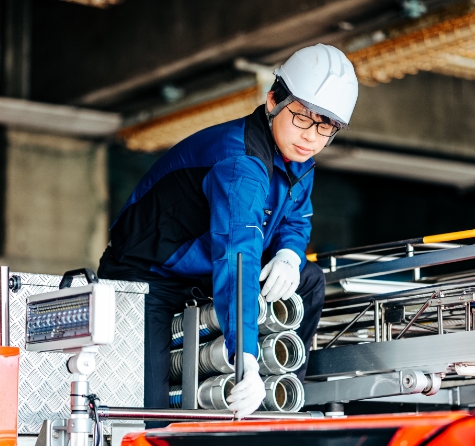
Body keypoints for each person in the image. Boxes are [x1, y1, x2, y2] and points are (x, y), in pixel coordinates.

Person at [98, 44, 358, 421]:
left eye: (326, 127)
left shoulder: (298, 159)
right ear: (274, 101)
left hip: (202, 269)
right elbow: (238, 257)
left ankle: (281, 399)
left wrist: (288, 255)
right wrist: (245, 358)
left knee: (308, 279)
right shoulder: (240, 163)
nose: (312, 137)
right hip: (147, 276)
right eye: (303, 117)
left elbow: (296, 220)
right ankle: (249, 377)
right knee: (150, 417)